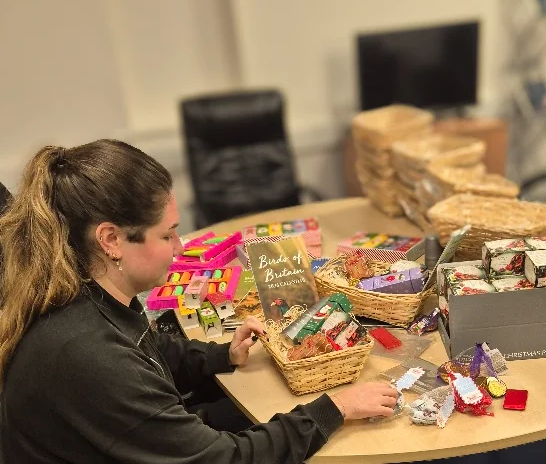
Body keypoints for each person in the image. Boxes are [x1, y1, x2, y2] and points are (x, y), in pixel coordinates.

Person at [0, 139, 398, 463]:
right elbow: (222, 460)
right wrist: (334, 408)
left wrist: (223, 356)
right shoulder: (87, 353)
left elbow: (150, 352)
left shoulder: (81, 292)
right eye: (167, 234)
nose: (179, 248)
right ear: (111, 240)